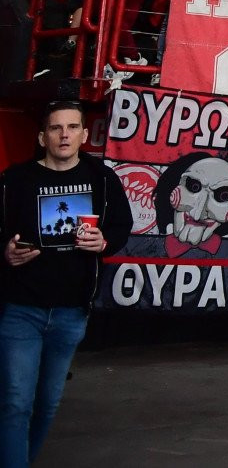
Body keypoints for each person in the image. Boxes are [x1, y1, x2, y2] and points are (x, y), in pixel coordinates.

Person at [0, 101, 131, 467]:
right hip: (21, 308)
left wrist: (103, 242)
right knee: (14, 401)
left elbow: (121, 226)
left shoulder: (102, 178)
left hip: (72, 311)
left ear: (84, 135)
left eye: (72, 127)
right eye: (56, 128)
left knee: (47, 402)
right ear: (42, 136)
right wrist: (6, 252)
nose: (64, 135)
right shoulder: (15, 179)